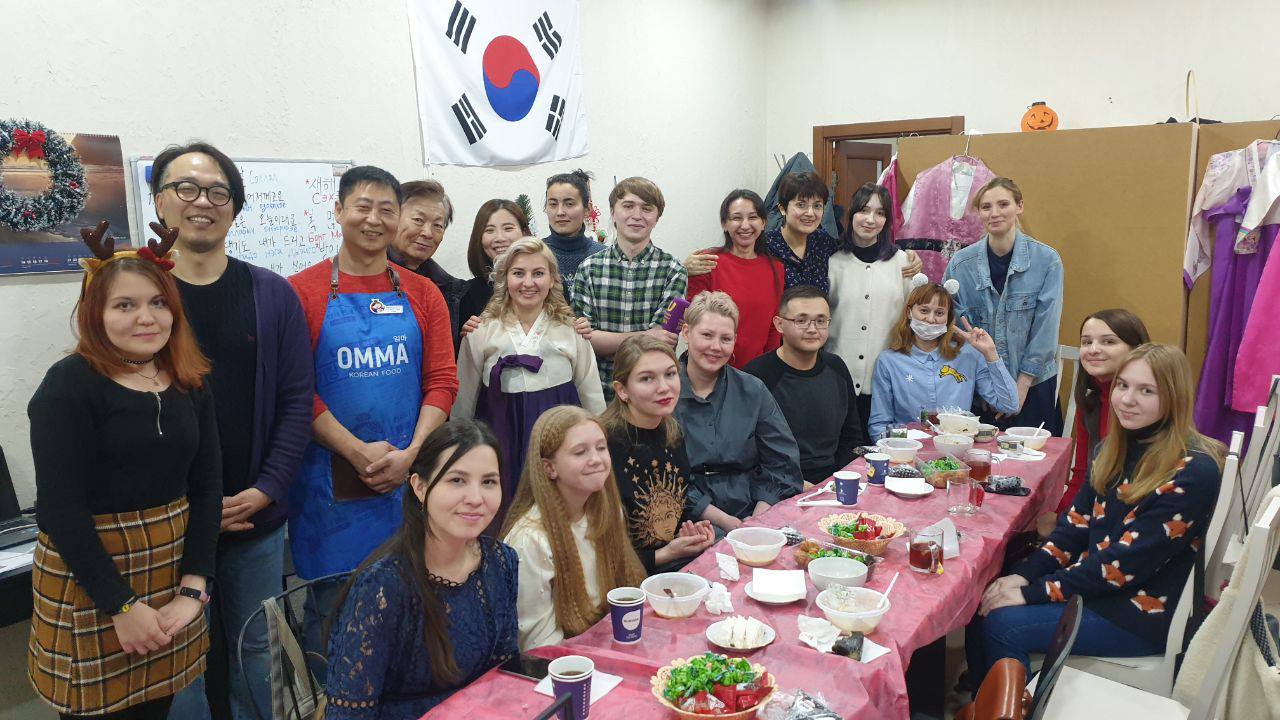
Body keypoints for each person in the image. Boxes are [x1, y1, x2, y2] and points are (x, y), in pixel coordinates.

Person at [28, 224, 221, 719]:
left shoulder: (189, 379)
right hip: (94, 579)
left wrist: (193, 589)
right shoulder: (69, 386)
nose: (146, 318)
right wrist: (121, 606)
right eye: (124, 305)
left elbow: (207, 487)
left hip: (170, 570)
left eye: (158, 303)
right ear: (96, 312)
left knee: (159, 708)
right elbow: (60, 510)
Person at [150, 142, 313, 720]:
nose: (203, 201)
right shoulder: (136, 295)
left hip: (253, 516)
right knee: (176, 658)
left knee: (257, 648)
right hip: (165, 523)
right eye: (186, 188)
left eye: (219, 191)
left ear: (235, 207)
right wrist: (191, 509)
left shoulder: (272, 293)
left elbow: (296, 401)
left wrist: (267, 488)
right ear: (159, 202)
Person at [965, 344, 1225, 691]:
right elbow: (1073, 529)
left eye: (1146, 391)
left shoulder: (1192, 471)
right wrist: (1024, 576)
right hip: (1101, 589)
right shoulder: (1113, 450)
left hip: (1140, 613)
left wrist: (1035, 592)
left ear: (1174, 398)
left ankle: (1013, 707)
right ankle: (988, 704)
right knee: (987, 598)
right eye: (1123, 386)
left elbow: (1123, 564)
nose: (1127, 400)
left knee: (1003, 624)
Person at [287, 166, 459, 667]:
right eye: (363, 206)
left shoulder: (423, 294)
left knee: (411, 610)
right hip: (329, 489)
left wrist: (412, 453)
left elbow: (442, 381)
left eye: (387, 209)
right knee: (335, 618)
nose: (374, 219)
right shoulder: (300, 292)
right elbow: (296, 392)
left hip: (408, 480)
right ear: (339, 211)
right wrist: (356, 451)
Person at [325, 420, 518, 718]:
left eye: (489, 482)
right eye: (457, 480)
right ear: (420, 486)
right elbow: (349, 712)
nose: (476, 498)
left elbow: (504, 673)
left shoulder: (501, 561)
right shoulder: (382, 587)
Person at [453, 238, 606, 532]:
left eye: (538, 273)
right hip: (500, 438)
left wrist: (598, 448)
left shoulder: (571, 331)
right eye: (518, 273)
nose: (528, 283)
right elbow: (464, 401)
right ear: (504, 278)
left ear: (552, 280)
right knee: (503, 516)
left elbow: (592, 398)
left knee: (559, 516)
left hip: (557, 441)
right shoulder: (481, 331)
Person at [501, 406, 647, 650]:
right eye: (580, 452)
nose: (596, 459)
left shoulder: (609, 512)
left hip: (605, 646)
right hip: (564, 664)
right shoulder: (531, 540)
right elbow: (540, 648)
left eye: (601, 448)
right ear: (549, 468)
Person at [944, 177, 1064, 434]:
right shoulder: (960, 265)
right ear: (979, 213)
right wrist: (988, 385)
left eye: (1003, 204)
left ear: (1019, 206)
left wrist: (1020, 387)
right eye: (986, 207)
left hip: (1033, 384)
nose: (994, 213)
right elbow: (954, 329)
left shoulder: (1047, 261)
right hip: (980, 388)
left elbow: (1046, 330)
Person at [676, 291, 802, 531]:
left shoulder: (753, 390)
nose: (715, 347)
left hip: (753, 511)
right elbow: (661, 475)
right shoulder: (664, 394)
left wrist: (757, 521)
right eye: (706, 335)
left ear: (735, 340)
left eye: (725, 338)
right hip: (687, 520)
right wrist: (728, 523)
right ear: (686, 333)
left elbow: (782, 462)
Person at [600, 336, 716, 571]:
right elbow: (597, 551)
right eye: (647, 378)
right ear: (622, 390)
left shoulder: (672, 431)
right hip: (623, 576)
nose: (664, 387)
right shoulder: (603, 445)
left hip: (668, 562)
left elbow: (673, 508)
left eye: (670, 374)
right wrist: (666, 554)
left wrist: (689, 535)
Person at [571, 177, 688, 400]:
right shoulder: (588, 269)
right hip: (597, 396)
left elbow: (659, 344)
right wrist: (646, 335)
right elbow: (583, 342)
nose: (637, 215)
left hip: (651, 397)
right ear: (613, 213)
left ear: (657, 217)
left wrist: (605, 339)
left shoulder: (673, 270)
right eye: (628, 206)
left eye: (647, 208)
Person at [868, 278, 1017, 439]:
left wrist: (991, 353)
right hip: (909, 448)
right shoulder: (889, 361)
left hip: (959, 446)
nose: (931, 319)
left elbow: (1009, 405)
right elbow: (878, 426)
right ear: (909, 312)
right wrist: (904, 446)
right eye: (924, 311)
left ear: (948, 318)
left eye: (939, 313)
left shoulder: (969, 355)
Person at [745, 286, 863, 487]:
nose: (812, 329)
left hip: (835, 482)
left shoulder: (837, 367)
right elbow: (746, 451)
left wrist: (837, 480)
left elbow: (852, 437)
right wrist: (794, 483)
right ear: (779, 324)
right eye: (801, 320)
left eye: (821, 321)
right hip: (776, 485)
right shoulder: (756, 376)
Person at [827, 183, 915, 440]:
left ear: (887, 220)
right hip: (838, 381)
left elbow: (914, 318)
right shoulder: (833, 262)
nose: (870, 219)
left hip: (886, 384)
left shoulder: (903, 263)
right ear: (852, 213)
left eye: (880, 213)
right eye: (864, 210)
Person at [684, 189, 784, 369]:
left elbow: (774, 327)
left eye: (753, 217)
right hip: (712, 367)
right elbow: (694, 322)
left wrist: (768, 368)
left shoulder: (775, 268)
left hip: (757, 372)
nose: (745, 225)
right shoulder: (707, 261)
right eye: (737, 218)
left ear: (763, 223)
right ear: (724, 224)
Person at [1066, 309, 1151, 513]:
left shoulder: (1145, 408)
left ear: (1137, 349)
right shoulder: (1090, 403)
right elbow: (1082, 474)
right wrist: (1061, 516)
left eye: (1108, 341)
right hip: (1092, 512)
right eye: (1086, 342)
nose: (1093, 349)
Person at [388, 180, 467, 346]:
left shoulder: (450, 291)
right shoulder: (361, 279)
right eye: (418, 220)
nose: (427, 233)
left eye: (437, 225)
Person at [456, 199, 532, 335]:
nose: (499, 238)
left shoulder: (545, 285)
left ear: (524, 232)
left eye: (508, 228)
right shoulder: (467, 294)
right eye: (489, 230)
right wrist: (464, 336)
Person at [543, 169, 606, 295]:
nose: (560, 212)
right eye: (553, 204)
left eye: (569, 204)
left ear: (587, 209)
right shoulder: (535, 253)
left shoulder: (603, 257)